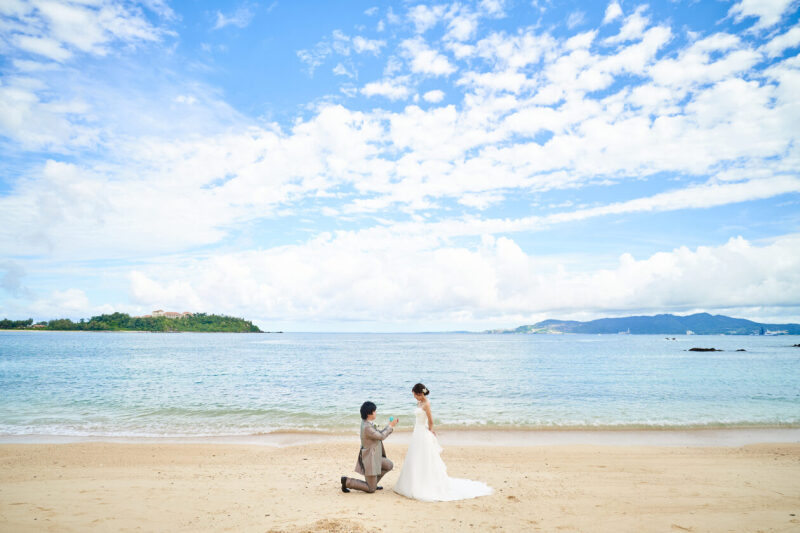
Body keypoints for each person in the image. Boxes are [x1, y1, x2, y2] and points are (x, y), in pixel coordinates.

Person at [393, 383, 493, 501]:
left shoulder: (426, 404)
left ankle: (423, 484)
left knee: (424, 457)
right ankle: (412, 482)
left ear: (419, 394)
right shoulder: (419, 403)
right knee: (415, 456)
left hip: (423, 432)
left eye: (415, 394)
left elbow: (430, 421)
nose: (414, 397)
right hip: (417, 431)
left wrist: (430, 432)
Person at [341, 401, 399, 493]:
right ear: (369, 413)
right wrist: (391, 426)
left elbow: (378, 434)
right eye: (374, 411)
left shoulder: (367, 423)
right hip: (370, 459)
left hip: (375, 456)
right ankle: (347, 482)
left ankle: (373, 483)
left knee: (389, 465)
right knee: (371, 489)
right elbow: (381, 436)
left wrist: (389, 425)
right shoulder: (367, 427)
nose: (376, 412)